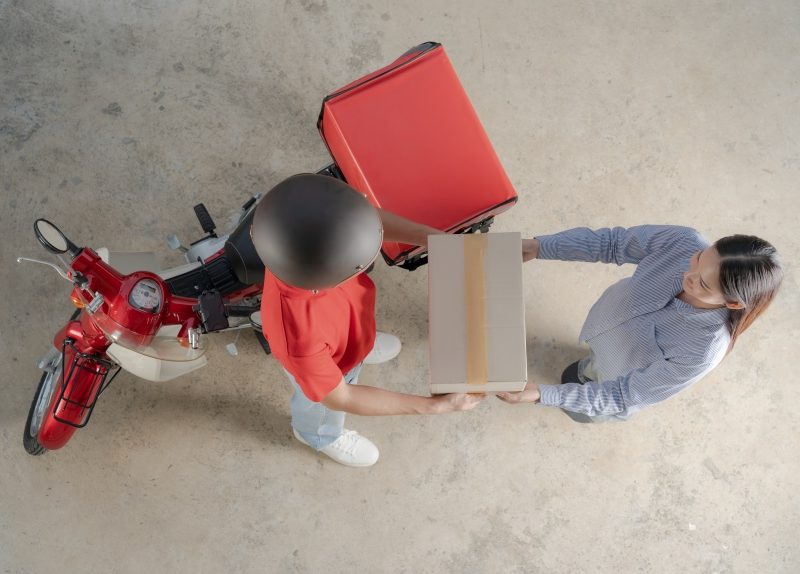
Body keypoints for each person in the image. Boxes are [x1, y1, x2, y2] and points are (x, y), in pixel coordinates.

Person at [253, 174, 485, 467]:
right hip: (329, 367)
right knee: (320, 405)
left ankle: (358, 347)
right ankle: (317, 435)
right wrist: (436, 406)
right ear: (326, 277)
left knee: (355, 340)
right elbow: (342, 398)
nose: (373, 249)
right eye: (364, 259)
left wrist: (438, 241)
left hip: (345, 327)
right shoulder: (301, 342)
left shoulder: (294, 230)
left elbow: (362, 221)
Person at [497, 225, 783, 423]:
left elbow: (623, 395)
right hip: (604, 327)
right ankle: (589, 366)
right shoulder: (684, 241)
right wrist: (540, 246)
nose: (689, 274)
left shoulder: (703, 351)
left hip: (618, 377)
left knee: (587, 400)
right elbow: (614, 243)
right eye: (699, 260)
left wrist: (542, 394)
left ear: (733, 303)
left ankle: (583, 394)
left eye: (703, 284)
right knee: (589, 362)